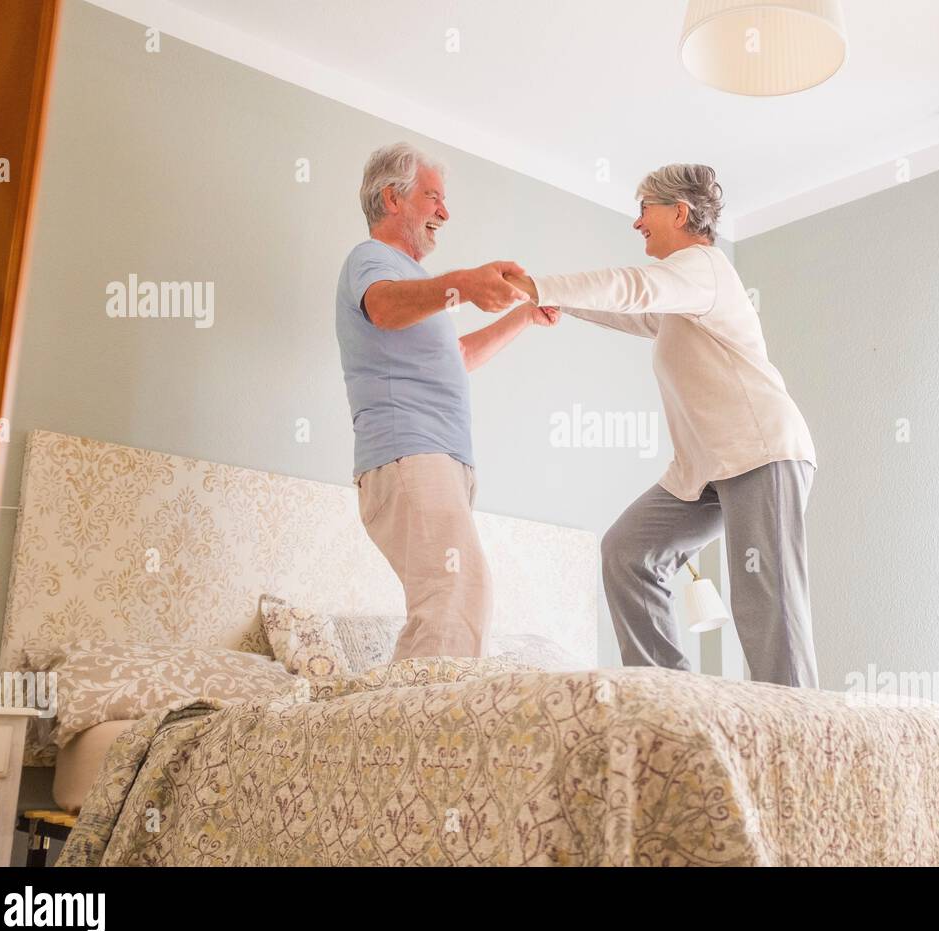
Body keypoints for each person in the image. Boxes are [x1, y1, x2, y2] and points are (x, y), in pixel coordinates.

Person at [505, 164, 818, 687]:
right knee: (629, 552)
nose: (636, 223)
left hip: (761, 451)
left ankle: (805, 736)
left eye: (644, 208)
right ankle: (672, 697)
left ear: (679, 212)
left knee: (765, 598)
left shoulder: (704, 267)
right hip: (706, 470)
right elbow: (639, 314)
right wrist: (553, 300)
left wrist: (536, 285)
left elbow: (632, 289)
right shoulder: (684, 293)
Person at [336, 142, 558, 661]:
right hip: (408, 449)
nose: (445, 212)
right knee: (461, 589)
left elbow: (455, 356)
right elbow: (383, 309)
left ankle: (389, 728)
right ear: (393, 198)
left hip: (439, 458)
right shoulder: (371, 260)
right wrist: (462, 284)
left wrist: (523, 315)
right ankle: (425, 732)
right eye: (434, 197)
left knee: (444, 600)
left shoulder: (414, 282)